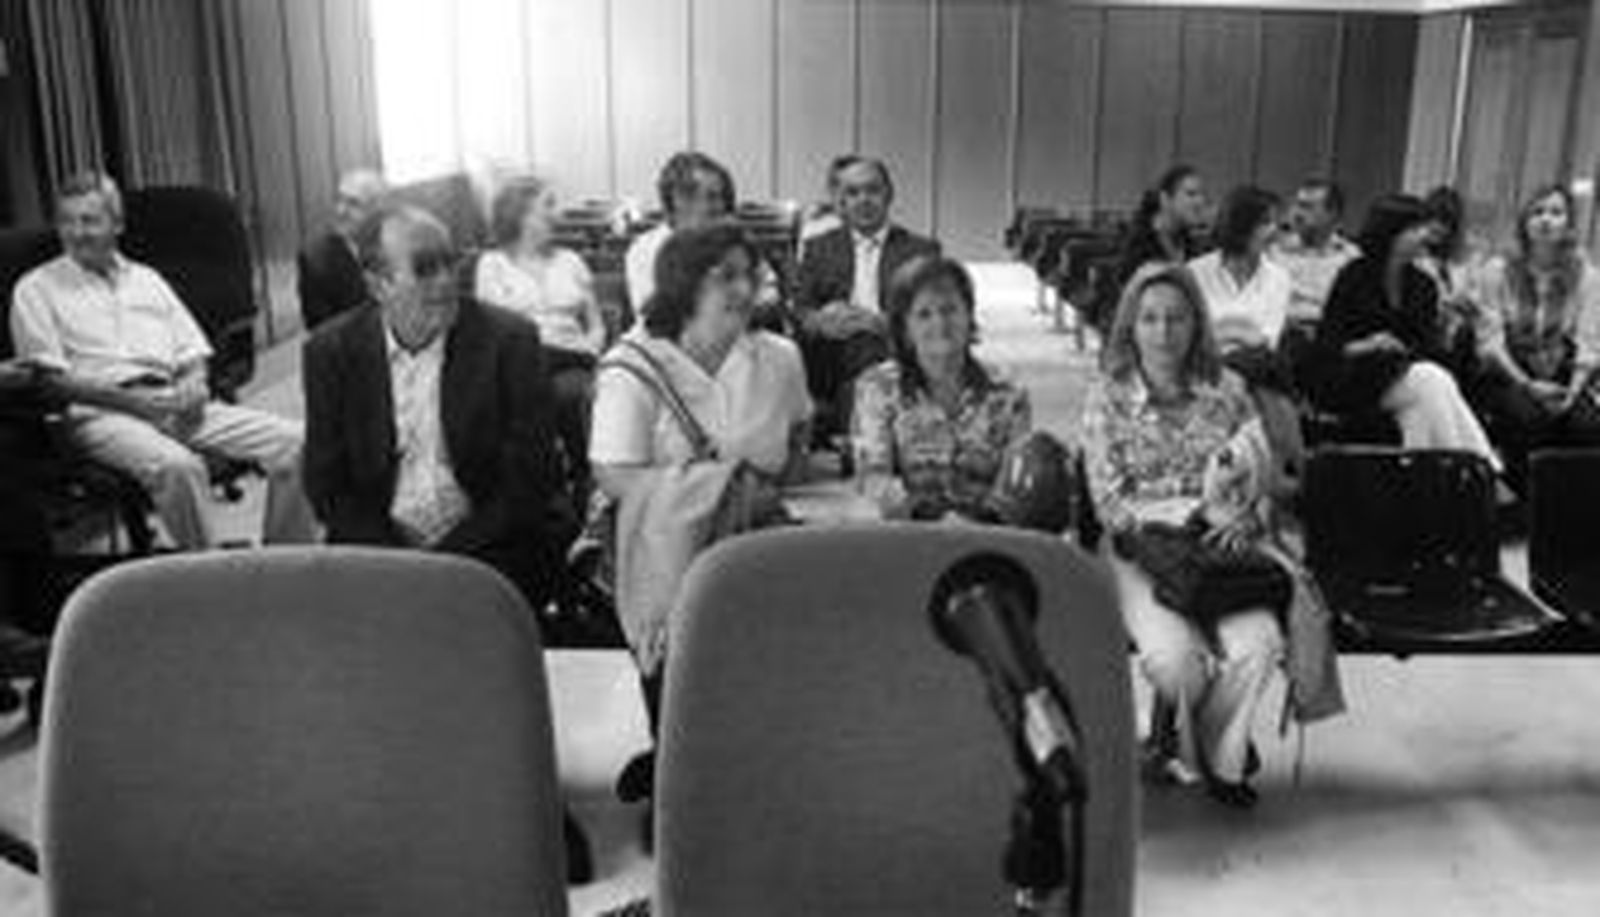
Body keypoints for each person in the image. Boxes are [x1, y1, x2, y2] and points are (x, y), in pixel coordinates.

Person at [590, 223, 811, 806]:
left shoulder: (780, 357)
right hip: (667, 545)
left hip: (758, 544)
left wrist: (766, 494)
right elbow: (614, 474)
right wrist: (719, 496)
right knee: (682, 675)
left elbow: (798, 436)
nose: (744, 289)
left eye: (750, 276)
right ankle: (677, 779)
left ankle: (744, 769)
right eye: (725, 277)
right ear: (684, 284)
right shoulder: (634, 365)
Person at [9, 171, 313, 551]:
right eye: (67, 221)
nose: (77, 233)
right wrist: (131, 402)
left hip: (173, 402)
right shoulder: (35, 289)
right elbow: (49, 383)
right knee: (179, 467)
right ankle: (209, 572)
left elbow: (192, 352)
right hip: (101, 416)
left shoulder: (147, 280)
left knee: (298, 442)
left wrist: (195, 384)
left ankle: (282, 558)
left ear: (117, 224)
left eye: (89, 221)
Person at [302, 203, 576, 609]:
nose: (446, 280)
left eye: (450, 262)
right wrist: (401, 564)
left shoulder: (509, 341)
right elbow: (328, 486)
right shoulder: (331, 352)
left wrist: (445, 564)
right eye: (425, 268)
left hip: (490, 546)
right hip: (379, 548)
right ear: (378, 285)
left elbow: (530, 479)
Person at [1081, 262, 1284, 809]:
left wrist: (1249, 516)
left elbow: (1260, 474)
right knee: (1176, 663)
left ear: (1197, 323)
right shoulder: (1106, 397)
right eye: (1149, 319)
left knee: (1259, 645)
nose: (1164, 332)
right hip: (1141, 547)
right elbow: (1108, 503)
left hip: (1221, 544)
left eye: (1177, 318)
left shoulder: (1229, 392)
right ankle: (1212, 731)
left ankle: (1219, 756)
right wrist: (1184, 520)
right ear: (1130, 326)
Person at [1305, 194, 1499, 468]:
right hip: (1353, 375)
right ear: (1391, 232)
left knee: (1423, 402)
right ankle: (1481, 469)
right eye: (1416, 228)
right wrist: (1369, 344)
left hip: (1405, 374)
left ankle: (1423, 481)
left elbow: (1427, 347)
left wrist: (1406, 348)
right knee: (1431, 380)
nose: (1425, 235)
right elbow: (1326, 345)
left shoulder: (1423, 285)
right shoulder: (1353, 276)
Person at [852, 256, 1031, 520]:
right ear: (905, 329)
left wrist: (975, 522)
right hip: (909, 530)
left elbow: (1013, 485)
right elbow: (873, 477)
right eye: (924, 314)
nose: (940, 324)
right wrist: (927, 516)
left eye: (950, 310)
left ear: (969, 316)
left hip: (987, 531)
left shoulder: (1009, 393)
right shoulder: (877, 387)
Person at [475, 175, 606, 501]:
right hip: (518, 362)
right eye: (547, 205)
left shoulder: (571, 261)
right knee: (541, 386)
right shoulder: (492, 265)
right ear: (520, 213)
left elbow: (596, 324)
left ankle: (579, 481)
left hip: (573, 357)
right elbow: (487, 330)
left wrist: (592, 347)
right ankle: (555, 483)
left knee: (569, 390)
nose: (556, 214)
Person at [793, 156, 941, 441]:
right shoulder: (818, 247)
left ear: (889, 195)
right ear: (841, 201)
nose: (863, 200)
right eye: (853, 192)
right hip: (831, 350)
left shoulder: (920, 250)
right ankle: (866, 437)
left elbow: (930, 312)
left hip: (890, 347)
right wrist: (820, 321)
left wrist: (882, 323)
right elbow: (800, 310)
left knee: (866, 349)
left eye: (873, 190)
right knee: (850, 349)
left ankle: (854, 438)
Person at [1469, 184, 1600, 489]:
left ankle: (1568, 507)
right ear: (1524, 223)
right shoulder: (1498, 270)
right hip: (1509, 373)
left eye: (1556, 213)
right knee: (1527, 418)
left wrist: (1572, 394)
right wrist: (1527, 385)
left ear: (1569, 223)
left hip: (1566, 376)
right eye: (1537, 212)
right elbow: (1490, 343)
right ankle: (1524, 502)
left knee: (1587, 426)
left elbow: (1590, 343)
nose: (1546, 220)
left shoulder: (1587, 276)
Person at [1187, 186, 1303, 497]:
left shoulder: (1278, 278)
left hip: (1254, 366)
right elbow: (1194, 336)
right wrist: (1237, 331)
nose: (1273, 231)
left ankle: (1252, 477)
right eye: (1265, 223)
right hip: (1204, 363)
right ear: (1240, 226)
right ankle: (1290, 467)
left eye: (1275, 223)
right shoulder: (1195, 272)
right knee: (1263, 384)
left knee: (1250, 381)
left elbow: (1265, 338)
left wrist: (1224, 330)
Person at [624, 152, 738, 308]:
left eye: (723, 197)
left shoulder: (735, 243)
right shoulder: (645, 250)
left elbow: (765, 299)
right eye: (712, 197)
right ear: (679, 201)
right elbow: (653, 313)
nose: (721, 206)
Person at [297, 168, 387, 332]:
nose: (341, 211)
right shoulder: (316, 259)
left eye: (353, 204)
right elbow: (321, 332)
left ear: (377, 210)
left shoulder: (397, 241)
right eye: (339, 200)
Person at [1272, 178, 1361, 324]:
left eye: (1306, 207)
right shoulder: (1275, 252)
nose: (1297, 213)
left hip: (1327, 330)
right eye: (1296, 204)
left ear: (1332, 213)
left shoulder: (1350, 258)